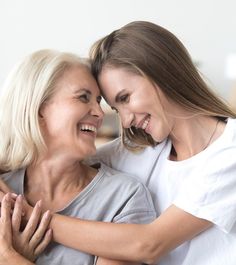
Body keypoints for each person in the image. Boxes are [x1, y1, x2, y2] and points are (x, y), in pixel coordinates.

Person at [44, 20, 236, 265]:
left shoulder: (230, 151)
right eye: (116, 107)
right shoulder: (142, 150)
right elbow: (55, 162)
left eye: (125, 98)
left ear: (161, 72)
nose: (125, 121)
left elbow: (149, 244)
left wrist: (34, 218)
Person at [0, 49, 156, 265]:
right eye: (83, 97)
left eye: (99, 101)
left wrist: (9, 258)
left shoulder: (122, 198)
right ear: (39, 110)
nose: (100, 113)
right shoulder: (3, 189)